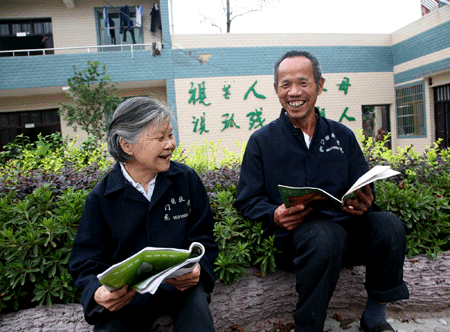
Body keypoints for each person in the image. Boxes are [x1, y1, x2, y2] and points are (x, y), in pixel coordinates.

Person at [233, 51, 409, 332]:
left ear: (319, 84)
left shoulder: (342, 136)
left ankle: (375, 315)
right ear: (276, 89)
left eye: (303, 83)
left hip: (347, 231)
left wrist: (363, 202)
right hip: (300, 241)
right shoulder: (261, 141)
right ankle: (309, 327)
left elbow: (363, 185)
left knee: (389, 225)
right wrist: (274, 214)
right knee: (326, 235)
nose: (294, 92)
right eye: (285, 84)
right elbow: (247, 200)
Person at [69, 97, 218, 332]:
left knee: (197, 315)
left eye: (170, 135)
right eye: (160, 138)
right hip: (127, 299)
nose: (170, 144)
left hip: (180, 290)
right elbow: (85, 262)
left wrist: (199, 268)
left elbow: (204, 239)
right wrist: (97, 292)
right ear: (127, 145)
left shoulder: (186, 180)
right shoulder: (102, 197)